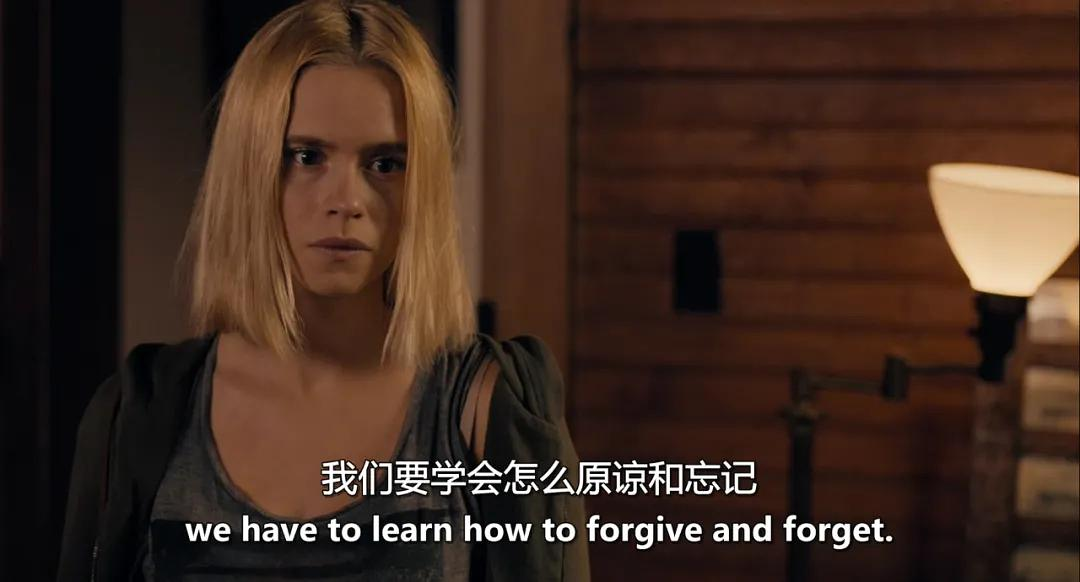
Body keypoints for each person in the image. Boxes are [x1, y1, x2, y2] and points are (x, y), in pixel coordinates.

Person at [56, 1, 589, 580]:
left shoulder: (486, 407)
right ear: (250, 169)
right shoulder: (140, 415)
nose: (347, 201)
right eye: (306, 157)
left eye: (385, 164)